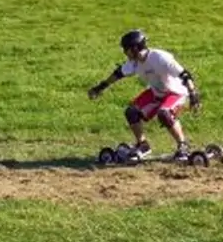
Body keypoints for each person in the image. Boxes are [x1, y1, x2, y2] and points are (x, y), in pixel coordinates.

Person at [87, 29, 203, 161]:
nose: (125, 53)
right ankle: (143, 145)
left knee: (164, 113)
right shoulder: (134, 62)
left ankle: (183, 146)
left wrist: (193, 93)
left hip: (176, 93)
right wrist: (100, 87)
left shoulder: (160, 58)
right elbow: (118, 74)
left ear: (135, 48)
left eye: (126, 49)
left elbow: (185, 74)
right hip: (157, 93)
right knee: (132, 112)